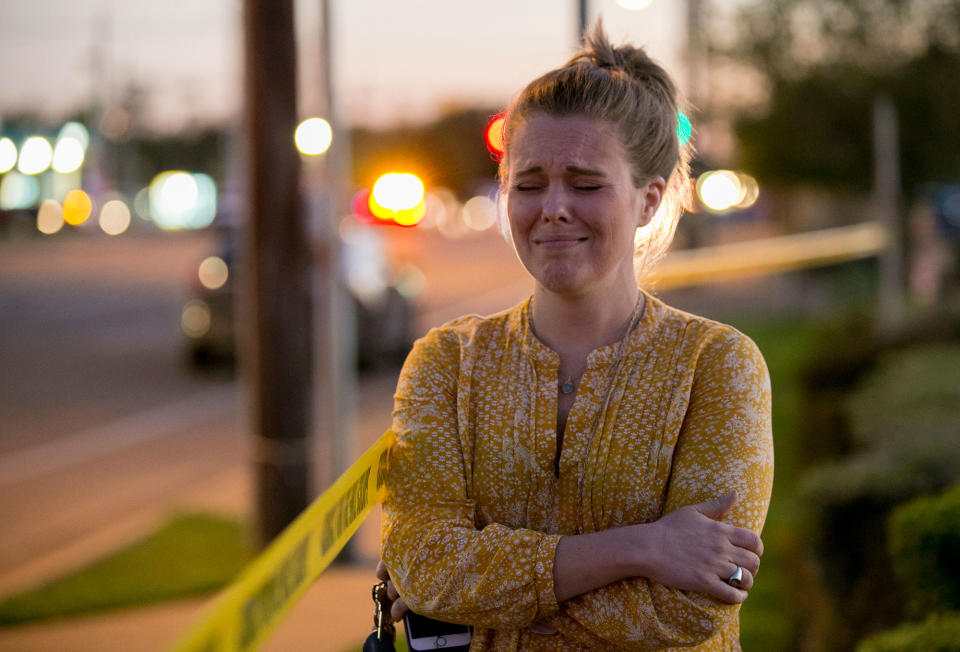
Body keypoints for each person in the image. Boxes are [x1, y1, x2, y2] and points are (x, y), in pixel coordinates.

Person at [376, 23, 774, 651]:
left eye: (587, 184)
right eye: (528, 185)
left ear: (648, 200)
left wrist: (486, 605)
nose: (553, 207)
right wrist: (641, 547)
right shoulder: (446, 362)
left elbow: (691, 608)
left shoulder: (717, 365)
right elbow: (426, 565)